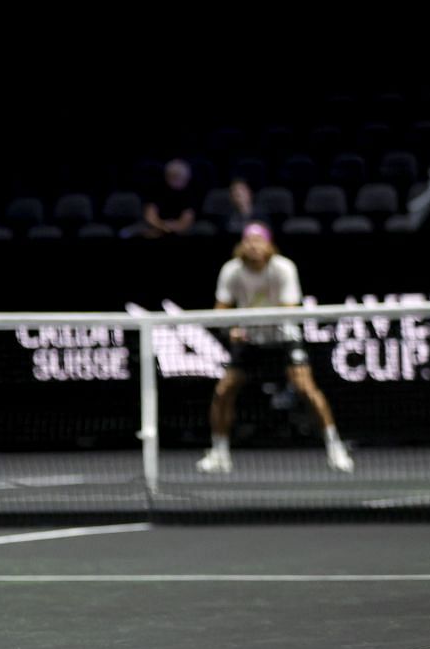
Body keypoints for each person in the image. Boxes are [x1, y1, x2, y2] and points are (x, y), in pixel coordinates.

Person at [197, 222, 355, 474]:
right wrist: (231, 329)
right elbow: (221, 309)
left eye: (259, 241)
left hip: (284, 337)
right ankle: (219, 452)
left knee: (306, 388)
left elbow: (290, 309)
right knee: (223, 391)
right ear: (242, 245)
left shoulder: (283, 268)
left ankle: (335, 447)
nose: (254, 246)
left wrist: (254, 319)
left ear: (269, 245)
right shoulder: (232, 271)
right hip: (250, 341)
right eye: (249, 241)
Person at [139, 158, 197, 238]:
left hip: (180, 230)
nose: (178, 181)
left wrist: (174, 228)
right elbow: (150, 216)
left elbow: (187, 220)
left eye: (182, 178)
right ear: (167, 177)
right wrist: (163, 227)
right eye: (174, 177)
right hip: (158, 227)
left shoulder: (189, 194)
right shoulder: (156, 191)